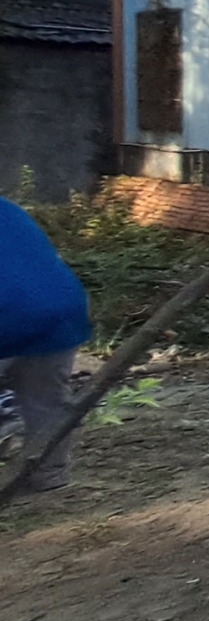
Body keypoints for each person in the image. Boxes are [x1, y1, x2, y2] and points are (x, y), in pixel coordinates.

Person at [0, 196, 92, 492]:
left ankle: (6, 420)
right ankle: (49, 474)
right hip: (58, 309)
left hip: (7, 312)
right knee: (46, 400)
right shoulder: (7, 208)